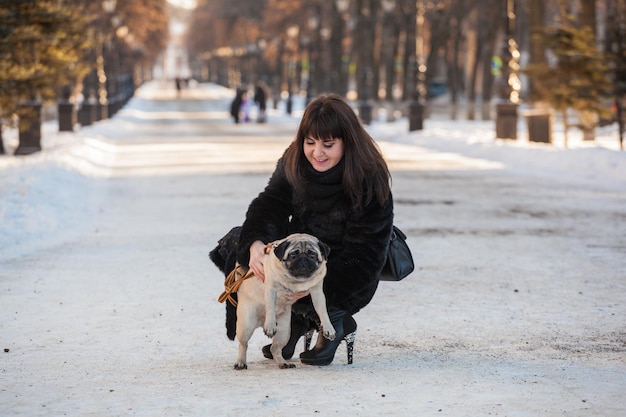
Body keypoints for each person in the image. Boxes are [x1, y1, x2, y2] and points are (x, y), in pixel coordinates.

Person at [211, 93, 393, 366]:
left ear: (348, 142)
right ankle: (294, 318)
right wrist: (256, 244)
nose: (317, 153)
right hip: (295, 255)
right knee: (238, 238)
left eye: (328, 144)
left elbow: (366, 253)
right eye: (310, 142)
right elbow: (271, 201)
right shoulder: (295, 159)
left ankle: (334, 319)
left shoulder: (368, 178)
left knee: (319, 270)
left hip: (341, 270)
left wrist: (312, 284)